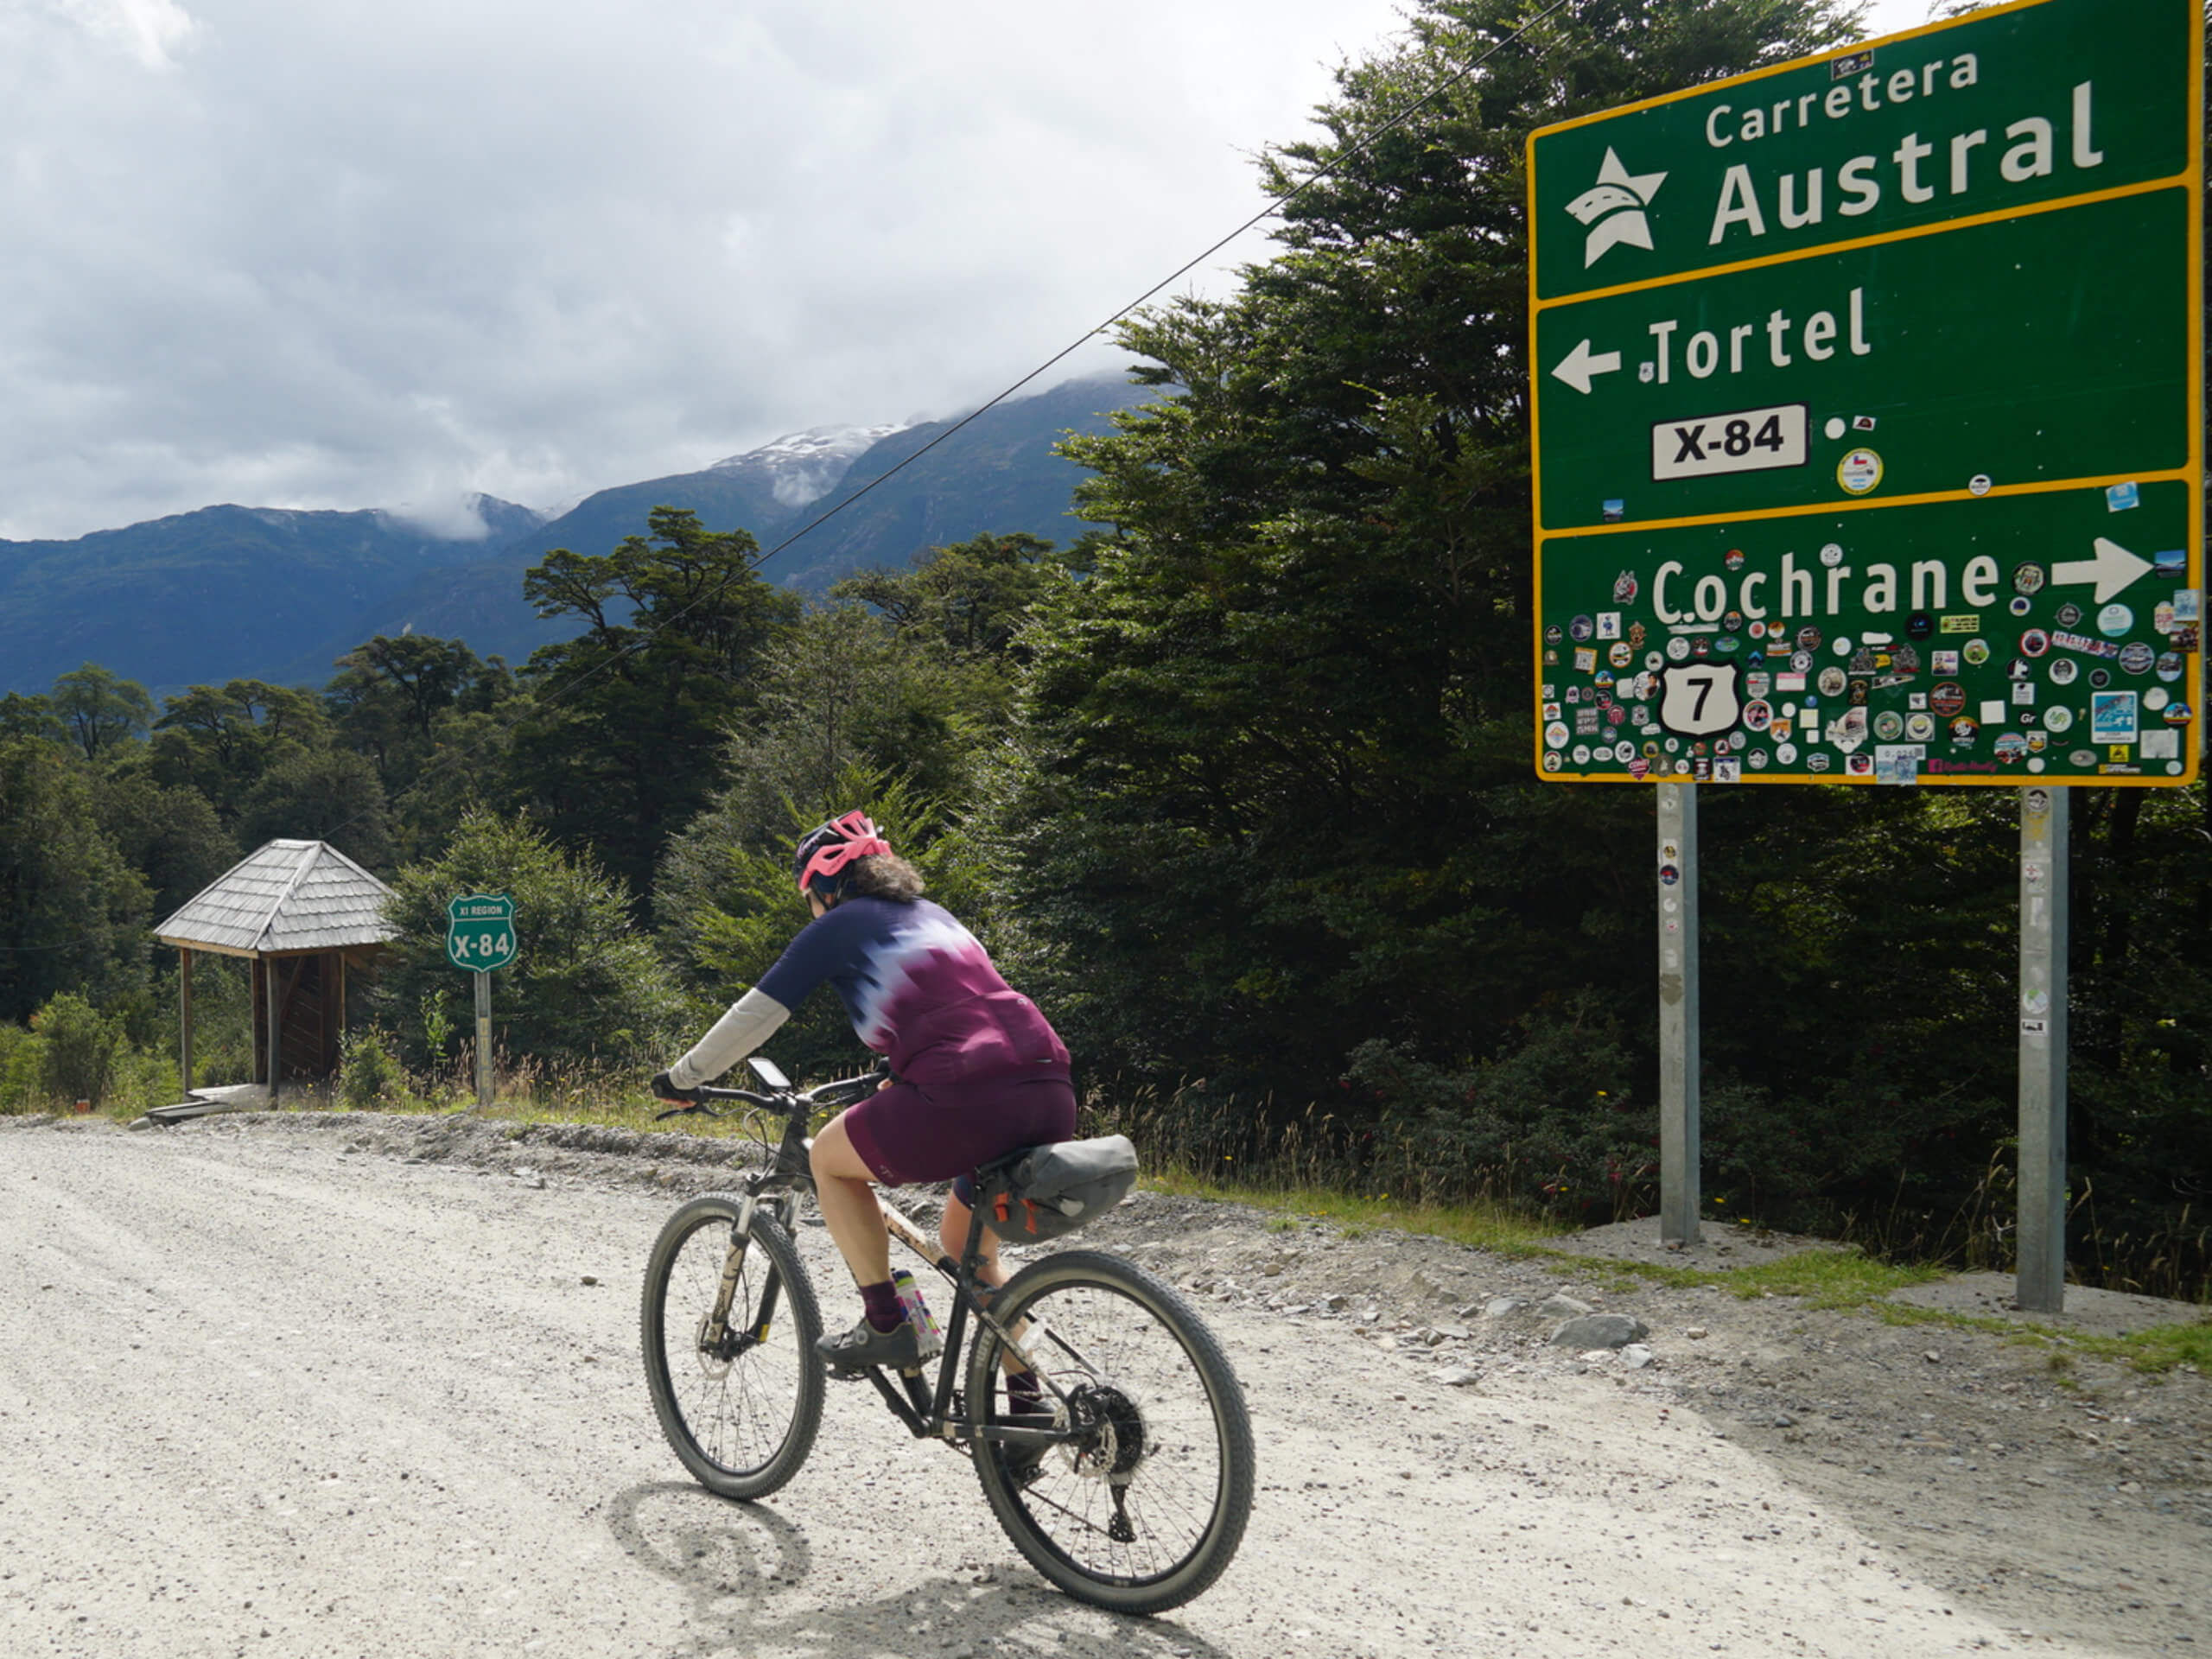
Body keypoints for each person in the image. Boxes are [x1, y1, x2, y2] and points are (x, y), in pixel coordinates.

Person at [652, 810, 1075, 1375]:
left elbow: (754, 1016)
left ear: (824, 887)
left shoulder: (838, 926)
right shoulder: (937, 917)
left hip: (966, 1091)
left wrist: (682, 1077)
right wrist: (901, 1066)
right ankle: (1030, 1415)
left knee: (828, 1158)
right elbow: (966, 1012)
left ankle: (886, 1322)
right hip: (1048, 1083)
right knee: (966, 1252)